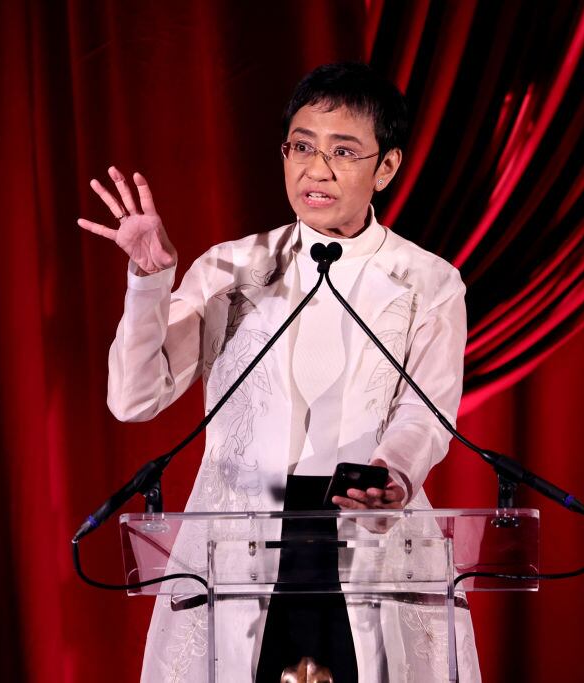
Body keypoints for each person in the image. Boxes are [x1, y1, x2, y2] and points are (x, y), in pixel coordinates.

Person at [79, 62, 481, 682]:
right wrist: (148, 283)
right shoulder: (231, 269)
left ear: (387, 167)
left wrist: (392, 475)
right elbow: (134, 399)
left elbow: (425, 414)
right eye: (301, 146)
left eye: (343, 151)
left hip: (367, 534)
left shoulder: (429, 281)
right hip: (238, 543)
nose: (314, 170)